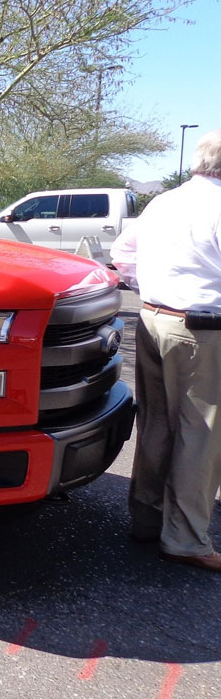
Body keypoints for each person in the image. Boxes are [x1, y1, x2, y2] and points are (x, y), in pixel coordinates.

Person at [110, 128, 221, 572]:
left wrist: (156, 287)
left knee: (156, 421)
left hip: (154, 318)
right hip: (204, 328)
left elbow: (122, 252)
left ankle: (147, 518)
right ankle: (185, 539)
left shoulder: (164, 201)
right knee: (201, 434)